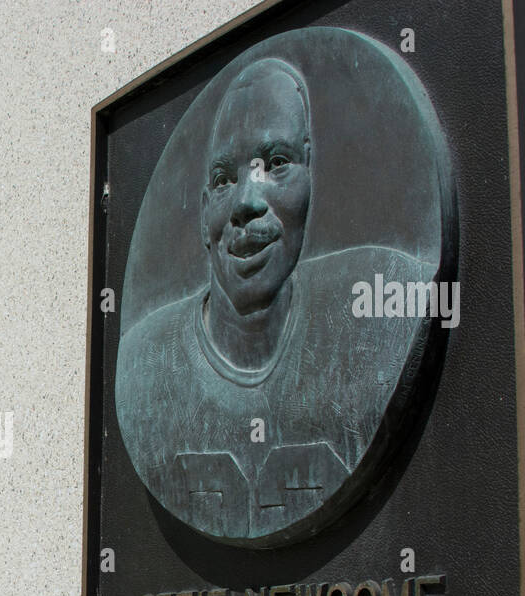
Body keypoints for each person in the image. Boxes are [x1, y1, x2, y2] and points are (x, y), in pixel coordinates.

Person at [116, 56, 435, 546]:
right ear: (204, 214)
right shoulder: (143, 371)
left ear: (311, 180)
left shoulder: (387, 306)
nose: (247, 199)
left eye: (277, 164)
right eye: (224, 178)